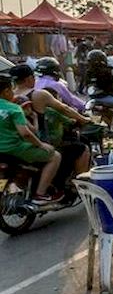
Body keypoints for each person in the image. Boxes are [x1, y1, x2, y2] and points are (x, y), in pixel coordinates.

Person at [10, 64, 91, 189]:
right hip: (40, 141)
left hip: (17, 143)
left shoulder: (8, 97)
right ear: (29, 79)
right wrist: (83, 119)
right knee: (81, 148)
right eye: (33, 77)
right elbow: (64, 108)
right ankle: (80, 187)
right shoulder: (39, 95)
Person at [0, 72, 63, 204]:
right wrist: (41, 145)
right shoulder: (14, 108)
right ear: (6, 91)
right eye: (11, 89)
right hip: (13, 149)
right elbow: (26, 133)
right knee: (55, 156)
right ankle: (40, 194)